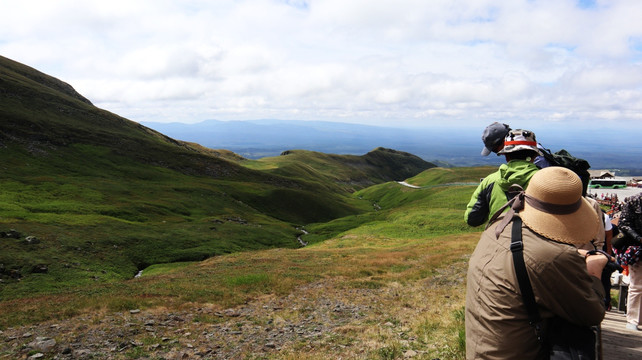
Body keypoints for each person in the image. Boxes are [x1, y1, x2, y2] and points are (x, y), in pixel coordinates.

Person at [466, 167, 608, 359]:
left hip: (481, 350)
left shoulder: (500, 225)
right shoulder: (555, 257)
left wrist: (567, 256)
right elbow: (591, 313)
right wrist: (594, 271)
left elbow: (531, 257)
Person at [464, 129, 540, 226]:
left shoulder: (489, 181)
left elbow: (472, 219)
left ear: (506, 155)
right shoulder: (546, 180)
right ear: (534, 155)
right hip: (534, 238)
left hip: (497, 237)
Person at [617, 193, 642, 331]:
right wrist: (638, 238)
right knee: (637, 286)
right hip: (637, 249)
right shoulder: (633, 201)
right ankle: (633, 319)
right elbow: (624, 224)